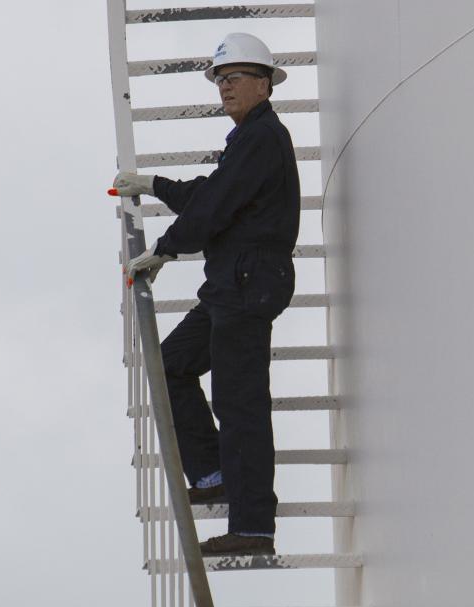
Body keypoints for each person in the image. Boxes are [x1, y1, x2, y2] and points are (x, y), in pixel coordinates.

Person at [109, 33, 300, 557]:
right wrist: (154, 184)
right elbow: (213, 195)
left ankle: (254, 527)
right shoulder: (248, 140)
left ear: (264, 85)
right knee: (170, 364)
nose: (225, 87)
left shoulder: (262, 137)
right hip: (231, 284)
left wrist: (167, 249)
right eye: (220, 79)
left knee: (240, 405)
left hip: (248, 282)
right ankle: (214, 475)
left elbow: (215, 207)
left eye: (235, 77)